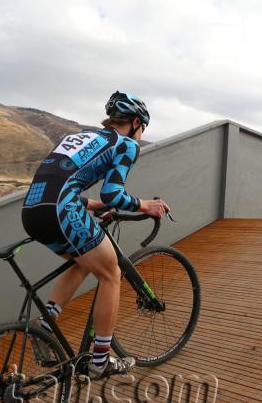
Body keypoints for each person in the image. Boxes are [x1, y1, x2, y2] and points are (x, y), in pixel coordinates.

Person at [21, 90, 170, 379]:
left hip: (33, 210)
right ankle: (100, 361)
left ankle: (46, 323)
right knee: (111, 272)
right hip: (62, 211)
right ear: (137, 122)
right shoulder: (126, 144)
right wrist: (144, 205)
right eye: (143, 129)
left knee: (83, 259)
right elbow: (113, 192)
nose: (141, 135)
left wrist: (96, 207)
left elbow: (59, 184)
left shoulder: (82, 137)